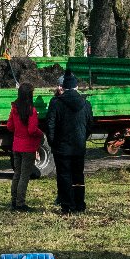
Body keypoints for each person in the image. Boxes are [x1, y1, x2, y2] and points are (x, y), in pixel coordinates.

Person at [43, 72, 93, 215]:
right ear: (77, 87)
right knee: (78, 175)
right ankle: (80, 204)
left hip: (62, 147)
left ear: (63, 87)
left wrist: (52, 142)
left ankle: (67, 206)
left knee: (64, 176)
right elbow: (90, 125)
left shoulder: (56, 103)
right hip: (78, 146)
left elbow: (50, 125)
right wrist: (82, 138)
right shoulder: (86, 104)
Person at [4, 82, 43, 212]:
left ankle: (14, 201)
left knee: (17, 174)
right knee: (24, 176)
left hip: (17, 146)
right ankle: (20, 204)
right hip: (28, 147)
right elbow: (32, 130)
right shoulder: (31, 110)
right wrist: (40, 133)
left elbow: (10, 126)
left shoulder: (14, 109)